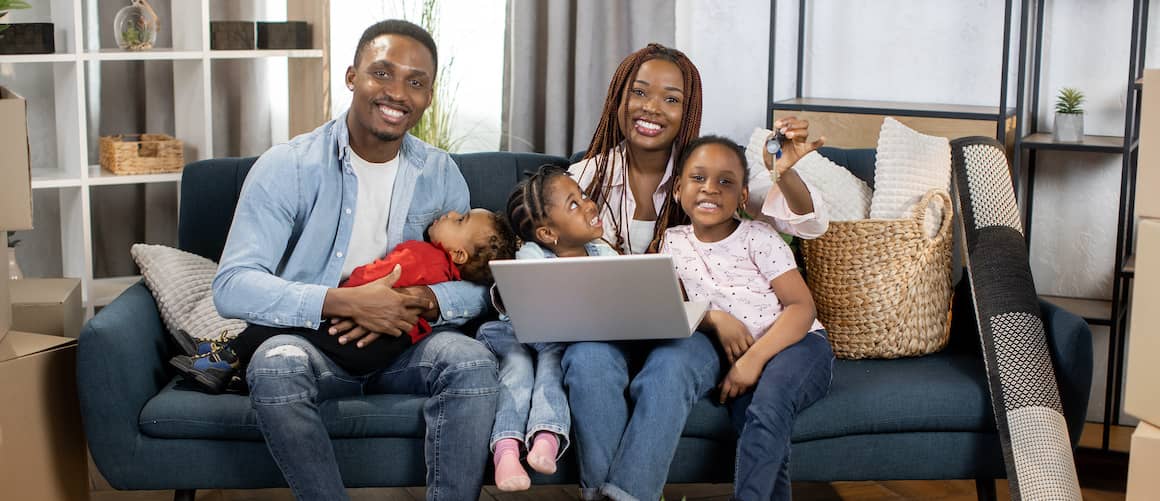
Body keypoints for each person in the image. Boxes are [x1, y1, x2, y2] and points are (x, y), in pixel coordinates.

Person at [211, 19, 498, 500]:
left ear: (428, 97)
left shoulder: (441, 173)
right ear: (351, 77)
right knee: (274, 367)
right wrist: (343, 301)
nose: (398, 93)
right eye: (382, 73)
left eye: (416, 82)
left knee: (471, 362)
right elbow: (233, 284)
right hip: (316, 344)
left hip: (407, 346)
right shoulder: (289, 167)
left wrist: (425, 298)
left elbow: (479, 284)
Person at [560, 42, 829, 501]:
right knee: (586, 362)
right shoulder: (584, 179)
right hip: (614, 330)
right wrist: (713, 316)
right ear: (618, 99)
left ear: (688, 111)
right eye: (640, 92)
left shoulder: (705, 172)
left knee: (670, 365)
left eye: (672, 99)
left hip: (682, 340)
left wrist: (785, 172)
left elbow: (806, 221)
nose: (652, 108)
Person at [174, 208, 516, 392]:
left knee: (292, 321)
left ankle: (222, 359)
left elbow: (369, 283)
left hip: (364, 339)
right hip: (388, 346)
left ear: (457, 253)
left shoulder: (421, 256)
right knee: (295, 329)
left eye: (460, 220)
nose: (450, 213)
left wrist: (347, 291)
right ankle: (228, 360)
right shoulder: (444, 273)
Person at [662, 136, 833, 501]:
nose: (710, 188)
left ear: (742, 197)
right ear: (678, 189)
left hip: (798, 345)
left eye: (726, 181)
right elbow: (675, 308)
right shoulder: (671, 243)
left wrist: (752, 360)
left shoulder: (759, 237)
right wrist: (712, 318)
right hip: (741, 357)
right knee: (755, 427)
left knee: (768, 408)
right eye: (698, 178)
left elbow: (802, 308)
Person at [477, 165, 620, 491]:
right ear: (547, 234)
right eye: (573, 204)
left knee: (554, 366)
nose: (588, 204)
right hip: (515, 336)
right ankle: (507, 449)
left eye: (583, 195)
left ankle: (545, 436)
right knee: (518, 371)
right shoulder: (532, 255)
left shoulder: (605, 253)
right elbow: (531, 303)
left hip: (557, 341)